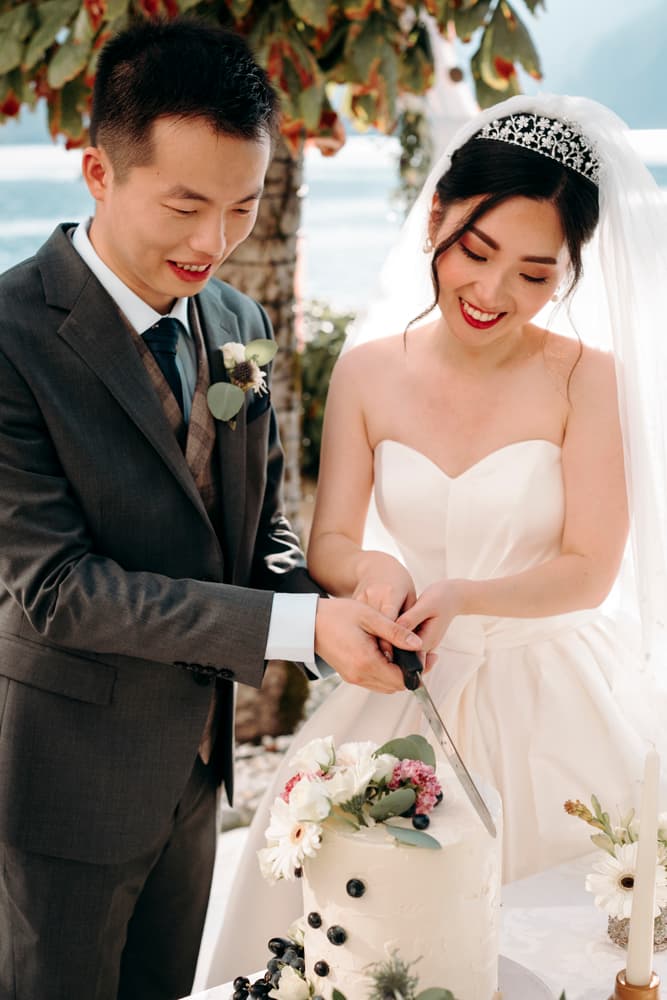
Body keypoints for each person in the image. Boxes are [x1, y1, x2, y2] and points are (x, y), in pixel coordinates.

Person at [0, 18, 425, 1000]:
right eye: (185, 205)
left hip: (198, 777)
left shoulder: (238, 321)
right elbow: (58, 589)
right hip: (64, 787)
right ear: (98, 173)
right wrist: (295, 627)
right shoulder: (13, 336)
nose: (212, 241)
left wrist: (339, 605)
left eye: (242, 206)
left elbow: (256, 526)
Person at [206, 92, 667, 985]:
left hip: (552, 699)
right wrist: (372, 567)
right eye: (476, 252)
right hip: (405, 684)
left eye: (534, 274)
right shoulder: (368, 371)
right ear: (435, 220)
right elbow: (331, 541)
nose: (493, 293)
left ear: (567, 271)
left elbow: (586, 568)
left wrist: (464, 595)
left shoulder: (587, 380)